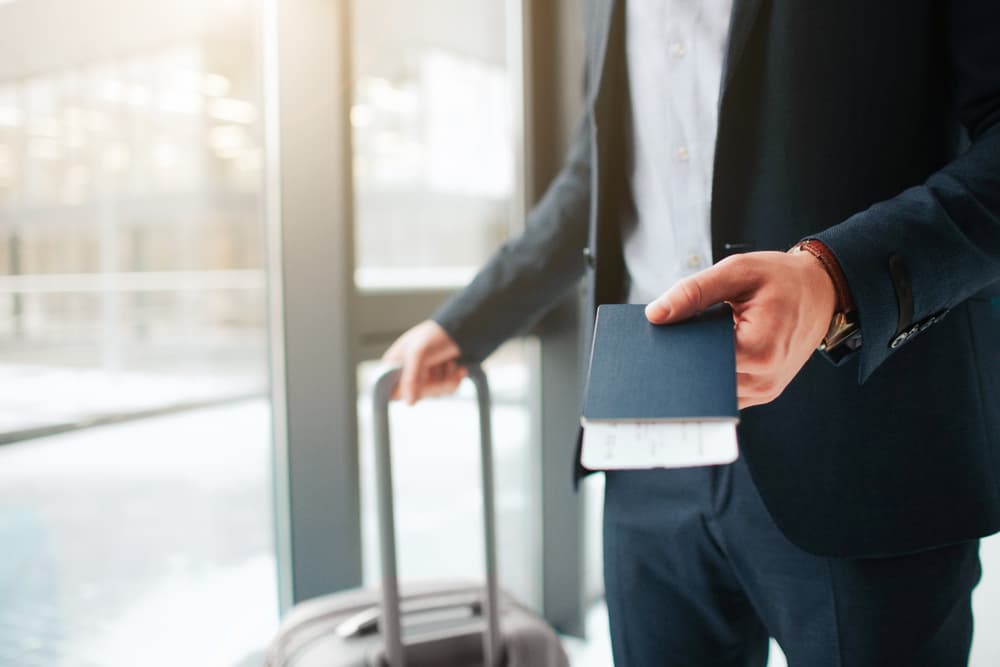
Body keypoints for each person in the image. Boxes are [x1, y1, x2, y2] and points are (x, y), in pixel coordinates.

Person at [384, 1, 1000, 665]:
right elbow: (600, 176)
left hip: (865, 443)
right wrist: (464, 323)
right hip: (646, 444)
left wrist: (835, 281)